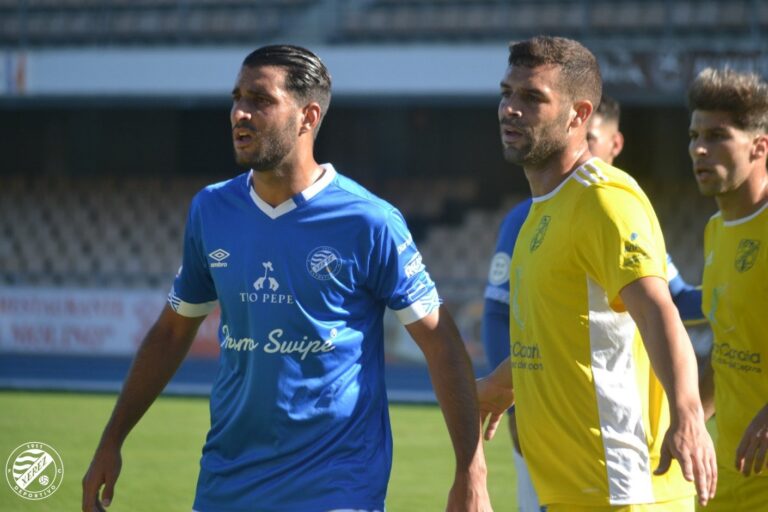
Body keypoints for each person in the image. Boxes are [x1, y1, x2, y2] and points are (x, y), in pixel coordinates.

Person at [81, 45, 492, 512]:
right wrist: (111, 439)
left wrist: (471, 471)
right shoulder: (211, 210)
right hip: (227, 480)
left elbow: (441, 342)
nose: (240, 113)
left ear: (307, 116)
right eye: (237, 98)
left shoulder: (369, 220)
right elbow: (173, 331)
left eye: (260, 100)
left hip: (336, 485)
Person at [476, 36, 717, 511]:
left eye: (533, 97)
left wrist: (688, 414)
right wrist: (497, 388)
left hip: (625, 488)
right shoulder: (540, 212)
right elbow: (554, 341)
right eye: (507, 93)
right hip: (575, 490)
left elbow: (658, 310)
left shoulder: (604, 201)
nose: (510, 109)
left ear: (578, 115)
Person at [687, 67, 768, 511]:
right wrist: (688, 421)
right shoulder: (715, 230)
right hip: (727, 476)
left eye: (717, 136)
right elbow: (727, 352)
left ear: (759, 147)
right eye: (695, 135)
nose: (699, 148)